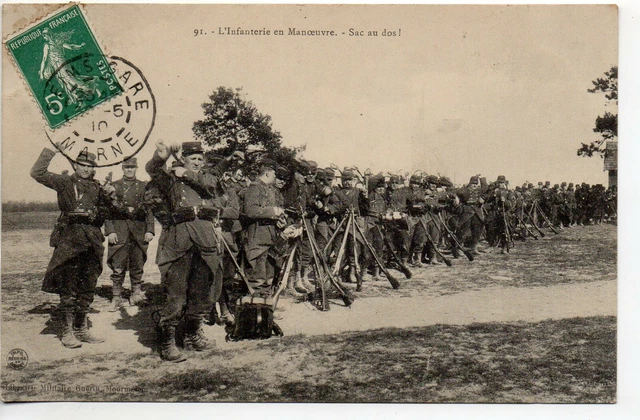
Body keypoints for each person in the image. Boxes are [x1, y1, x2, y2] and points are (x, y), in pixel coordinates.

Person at [146, 141, 238, 362]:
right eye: (192, 158)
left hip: (205, 240)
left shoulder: (203, 178)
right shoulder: (171, 180)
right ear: (183, 159)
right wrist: (161, 157)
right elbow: (153, 170)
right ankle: (167, 342)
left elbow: (210, 182)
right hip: (180, 241)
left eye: (200, 159)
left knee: (203, 291)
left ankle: (192, 334)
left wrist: (186, 172)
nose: (197, 162)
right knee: (176, 293)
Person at [31, 146, 118, 348]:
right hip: (70, 239)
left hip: (93, 241)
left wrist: (111, 196)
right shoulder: (64, 182)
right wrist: (50, 151)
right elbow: (37, 173)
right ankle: (67, 331)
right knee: (68, 287)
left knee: (88, 287)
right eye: (82, 164)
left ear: (94, 168)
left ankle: (81, 328)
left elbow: (110, 213)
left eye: (90, 166)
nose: (85, 169)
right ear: (75, 165)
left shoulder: (98, 187)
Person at [105, 158, 155, 311]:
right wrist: (111, 230)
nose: (129, 170)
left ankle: (136, 294)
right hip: (120, 231)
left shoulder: (143, 186)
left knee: (137, 265)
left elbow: (149, 210)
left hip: (138, 232)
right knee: (118, 267)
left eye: (132, 167)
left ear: (136, 168)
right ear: (122, 168)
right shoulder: (114, 186)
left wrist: (150, 229)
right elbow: (107, 211)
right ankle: (116, 297)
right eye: (127, 167)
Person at [243, 159, 287, 296]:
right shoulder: (254, 188)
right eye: (275, 173)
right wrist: (273, 212)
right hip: (257, 239)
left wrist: (278, 220)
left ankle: (266, 309)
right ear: (268, 173)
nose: (276, 177)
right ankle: (257, 312)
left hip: (269, 239)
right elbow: (250, 211)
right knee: (257, 279)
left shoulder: (269, 189)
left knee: (268, 278)